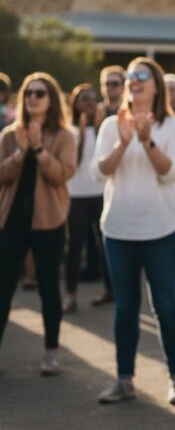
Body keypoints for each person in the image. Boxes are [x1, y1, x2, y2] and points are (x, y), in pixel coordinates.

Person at [92, 57, 175, 405]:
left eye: (140, 76)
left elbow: (170, 173)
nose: (132, 81)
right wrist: (123, 142)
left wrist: (147, 140)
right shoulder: (109, 125)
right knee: (124, 307)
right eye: (129, 76)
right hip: (118, 230)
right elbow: (98, 172)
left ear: (156, 85)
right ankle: (124, 379)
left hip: (161, 230)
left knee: (165, 306)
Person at [0, 72, 76, 376]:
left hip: (49, 222)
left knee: (48, 287)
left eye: (40, 93)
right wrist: (21, 152)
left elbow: (62, 174)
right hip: (11, 221)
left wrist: (40, 150)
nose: (32, 97)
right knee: (3, 287)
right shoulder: (8, 135)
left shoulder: (64, 136)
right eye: (29, 93)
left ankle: (51, 351)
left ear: (51, 100)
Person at [63, 84, 109, 313]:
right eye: (84, 99)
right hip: (76, 196)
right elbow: (75, 161)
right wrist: (80, 133)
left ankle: (110, 290)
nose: (89, 103)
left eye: (93, 99)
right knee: (75, 246)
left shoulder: (103, 129)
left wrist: (97, 127)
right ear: (75, 103)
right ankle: (71, 295)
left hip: (101, 194)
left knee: (105, 245)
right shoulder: (69, 130)